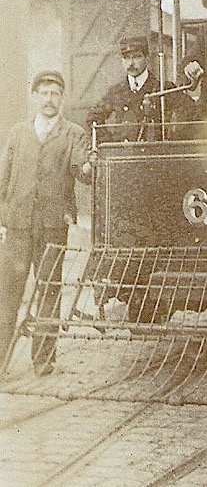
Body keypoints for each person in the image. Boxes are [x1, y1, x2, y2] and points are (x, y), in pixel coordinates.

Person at [0, 71, 92, 376]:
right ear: (35, 97)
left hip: (52, 226)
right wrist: (4, 217)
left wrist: (90, 165)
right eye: (44, 93)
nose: (49, 99)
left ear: (62, 98)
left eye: (55, 93)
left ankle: (43, 359)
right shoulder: (18, 133)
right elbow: (3, 179)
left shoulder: (73, 134)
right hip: (18, 226)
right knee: (8, 292)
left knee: (49, 290)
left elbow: (81, 167)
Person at [86, 35, 194, 141]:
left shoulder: (163, 89)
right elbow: (93, 118)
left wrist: (173, 139)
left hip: (155, 155)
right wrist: (111, 142)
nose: (131, 63)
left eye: (137, 57)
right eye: (126, 58)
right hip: (126, 155)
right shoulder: (116, 92)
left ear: (147, 58)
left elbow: (191, 111)